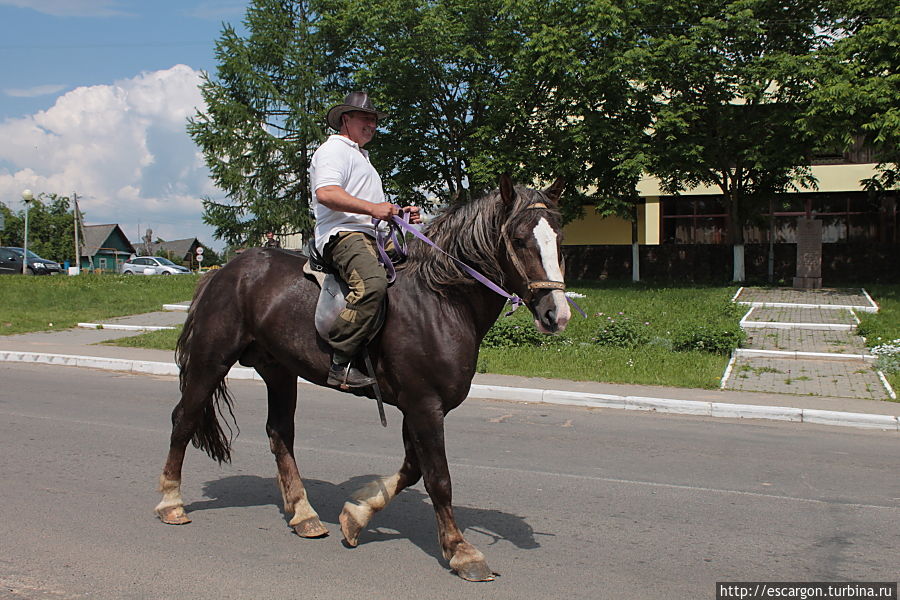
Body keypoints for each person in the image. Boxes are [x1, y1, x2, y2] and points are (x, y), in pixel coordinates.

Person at [309, 91, 421, 389]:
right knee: (372, 284)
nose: (372, 125)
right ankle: (340, 362)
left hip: (371, 235)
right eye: (366, 119)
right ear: (346, 119)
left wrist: (398, 212)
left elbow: (369, 205)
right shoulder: (334, 150)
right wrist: (374, 208)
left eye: (374, 120)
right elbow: (327, 193)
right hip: (343, 234)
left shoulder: (361, 157)